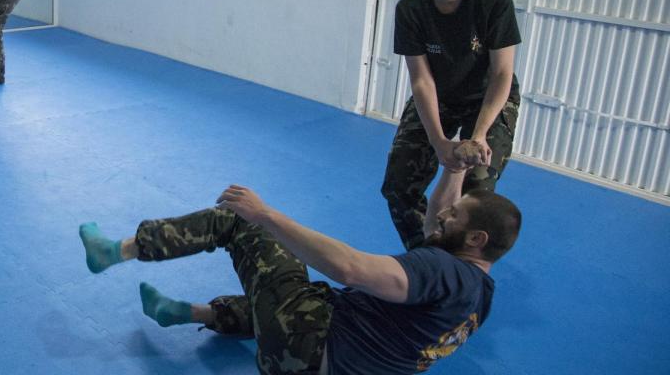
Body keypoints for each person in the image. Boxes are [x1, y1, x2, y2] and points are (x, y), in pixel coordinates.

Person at [79, 142, 521, 375]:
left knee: (241, 222)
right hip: (319, 363)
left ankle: (116, 250)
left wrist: (266, 213)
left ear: (476, 238)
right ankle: (189, 313)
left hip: (303, 344)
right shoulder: (478, 293)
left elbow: (352, 268)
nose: (442, 213)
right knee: (301, 291)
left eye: (455, 216)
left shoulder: (440, 269)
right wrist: (454, 169)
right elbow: (431, 230)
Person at [382, 0, 522, 251]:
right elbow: (421, 79)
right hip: (439, 95)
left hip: (486, 97)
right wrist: (440, 143)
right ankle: (428, 259)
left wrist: (478, 134)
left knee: (478, 191)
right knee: (398, 187)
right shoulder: (411, 9)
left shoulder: (493, 1)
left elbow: (502, 74)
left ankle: (462, 267)